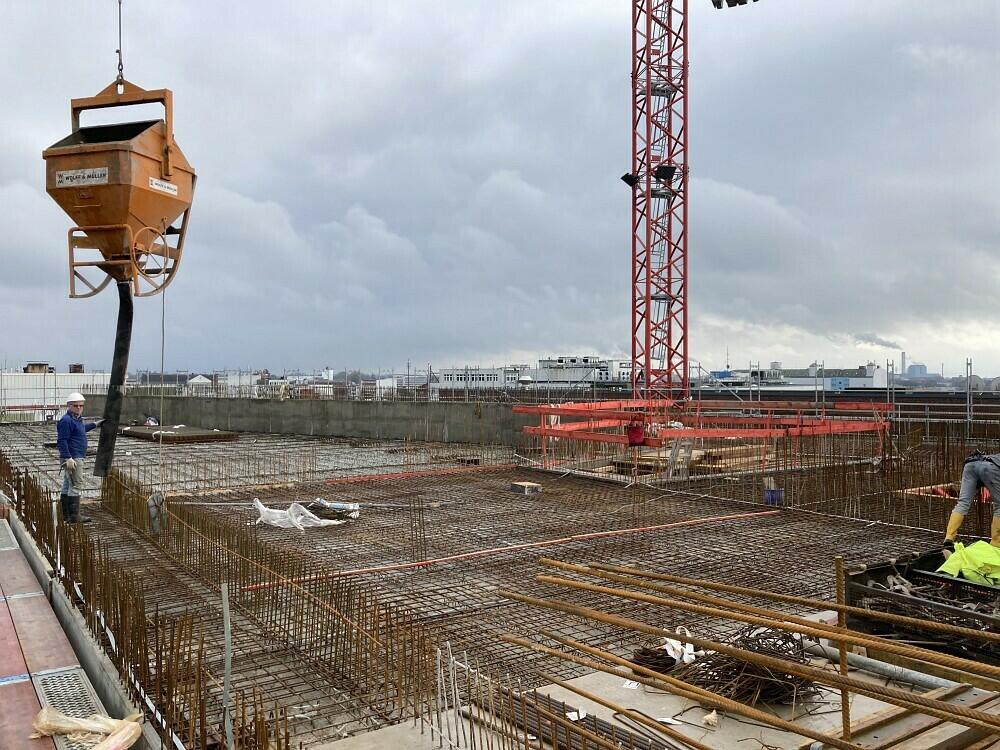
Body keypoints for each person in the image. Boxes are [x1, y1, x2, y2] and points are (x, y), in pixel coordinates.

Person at [56, 392, 101, 523]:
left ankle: (66, 515)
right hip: (73, 458)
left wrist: (95, 424)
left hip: (76, 456)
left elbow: (80, 430)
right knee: (76, 485)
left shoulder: (77, 419)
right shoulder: (66, 421)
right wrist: (67, 457)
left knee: (67, 484)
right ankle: (74, 516)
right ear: (69, 406)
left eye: (81, 405)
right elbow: (62, 441)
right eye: (76, 406)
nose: (79, 408)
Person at [944, 451, 1000, 550]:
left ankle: (949, 539)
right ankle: (996, 543)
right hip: (990, 468)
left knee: (963, 502)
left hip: (970, 464)